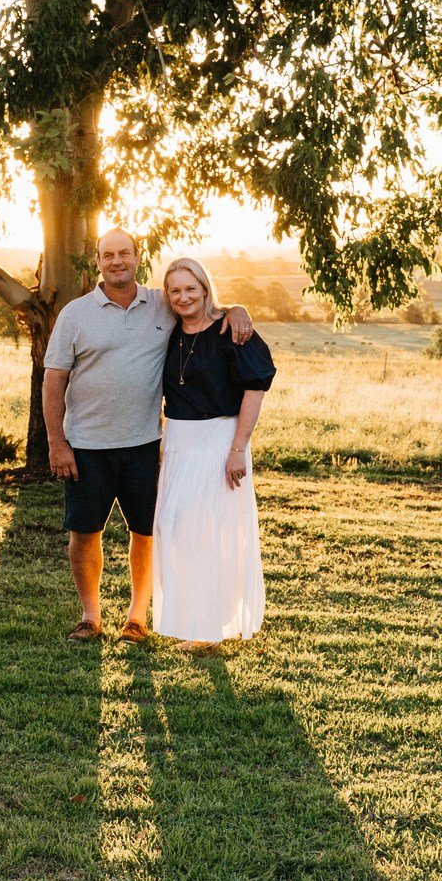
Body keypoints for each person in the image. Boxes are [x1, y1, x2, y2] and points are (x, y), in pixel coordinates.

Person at [42, 230, 252, 643]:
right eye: (108, 255)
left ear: (138, 257)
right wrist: (56, 442)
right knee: (85, 533)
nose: (116, 260)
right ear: (97, 262)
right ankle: (90, 617)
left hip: (145, 446)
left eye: (124, 253)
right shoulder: (75, 314)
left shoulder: (161, 302)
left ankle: (136, 618)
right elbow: (53, 380)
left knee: (147, 531)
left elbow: (202, 307)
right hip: (85, 445)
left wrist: (239, 308)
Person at [152, 257, 274, 651]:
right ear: (167, 296)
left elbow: (253, 391)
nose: (183, 297)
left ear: (205, 289)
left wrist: (238, 449)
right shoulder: (169, 333)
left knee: (215, 533)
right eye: (175, 290)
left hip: (221, 440)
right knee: (177, 533)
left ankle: (212, 627)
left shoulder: (230, 330)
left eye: (191, 288)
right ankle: (191, 619)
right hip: (178, 442)